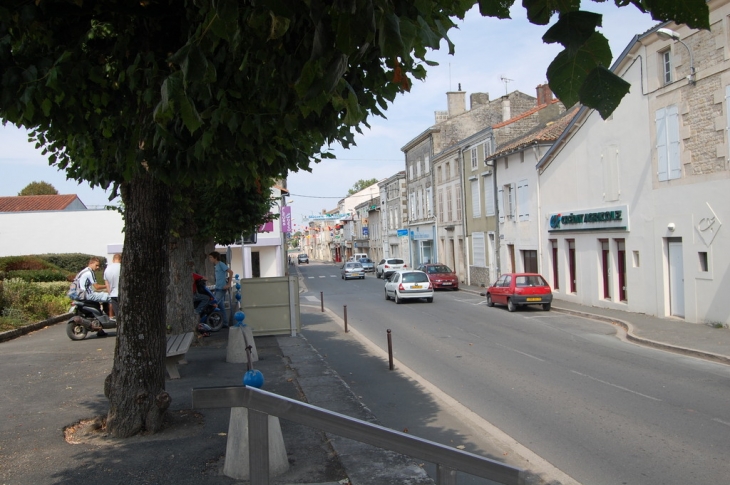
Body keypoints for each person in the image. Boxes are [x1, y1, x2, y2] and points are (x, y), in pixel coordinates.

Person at [74, 257, 111, 337]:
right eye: (96, 265)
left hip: (81, 295)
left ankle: (100, 330)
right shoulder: (89, 272)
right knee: (110, 297)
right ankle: (111, 317)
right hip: (88, 295)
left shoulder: (82, 271)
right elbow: (97, 287)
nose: (97, 268)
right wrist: (108, 286)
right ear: (91, 263)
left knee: (102, 297)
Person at [208, 251, 233, 327]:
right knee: (221, 306)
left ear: (215, 258)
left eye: (211, 257)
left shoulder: (221, 264)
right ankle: (225, 323)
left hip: (222, 288)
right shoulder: (216, 266)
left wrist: (228, 284)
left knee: (214, 303)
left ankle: (211, 322)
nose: (210, 259)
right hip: (217, 287)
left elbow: (231, 272)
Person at [104, 253, 121, 317]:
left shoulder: (107, 269)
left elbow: (107, 284)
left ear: (113, 260)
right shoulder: (122, 267)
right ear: (120, 259)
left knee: (117, 315)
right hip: (123, 294)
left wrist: (110, 293)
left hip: (113, 295)